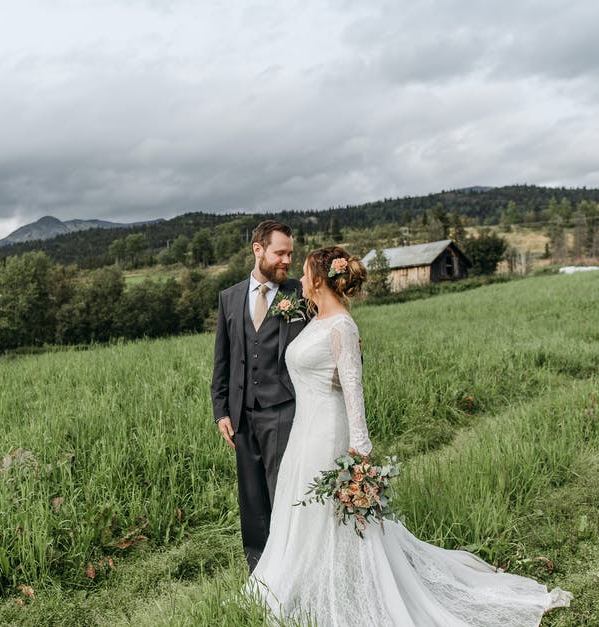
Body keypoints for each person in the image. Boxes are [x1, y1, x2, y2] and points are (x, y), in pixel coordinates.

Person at [247, 246, 572, 625]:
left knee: (336, 520)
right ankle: (303, 585)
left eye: (305, 273)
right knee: (307, 514)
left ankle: (353, 590)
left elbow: (354, 391)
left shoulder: (342, 328)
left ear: (319, 279)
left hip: (328, 433)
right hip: (303, 432)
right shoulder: (317, 320)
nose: (300, 279)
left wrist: (360, 453)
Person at [211, 220, 307, 572]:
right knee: (251, 498)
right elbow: (221, 360)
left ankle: (291, 568)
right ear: (258, 250)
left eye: (290, 254)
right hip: (241, 415)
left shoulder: (300, 293)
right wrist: (221, 411)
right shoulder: (230, 297)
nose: (287, 260)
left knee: (283, 492)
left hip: (284, 408)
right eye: (280, 253)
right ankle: (260, 572)